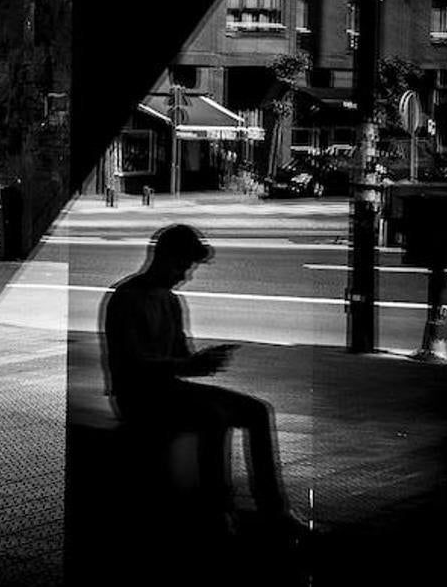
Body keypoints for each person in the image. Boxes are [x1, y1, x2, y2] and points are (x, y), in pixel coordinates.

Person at [100, 224, 303, 538]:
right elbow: (132, 366)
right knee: (213, 416)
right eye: (183, 266)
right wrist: (189, 364)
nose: (185, 275)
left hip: (167, 389)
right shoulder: (126, 299)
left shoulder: (169, 302)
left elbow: (180, 359)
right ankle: (217, 509)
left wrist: (202, 361)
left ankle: (274, 510)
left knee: (256, 411)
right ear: (164, 258)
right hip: (137, 396)